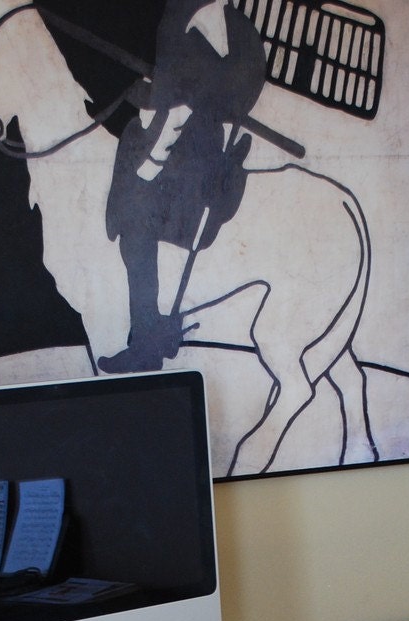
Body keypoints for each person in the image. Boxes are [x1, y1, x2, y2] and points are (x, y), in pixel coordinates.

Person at [99, 0, 267, 373]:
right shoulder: (179, 22)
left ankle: (147, 345)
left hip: (190, 172)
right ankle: (146, 339)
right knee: (134, 227)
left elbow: (198, 174)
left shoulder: (210, 27)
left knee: (138, 229)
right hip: (170, 158)